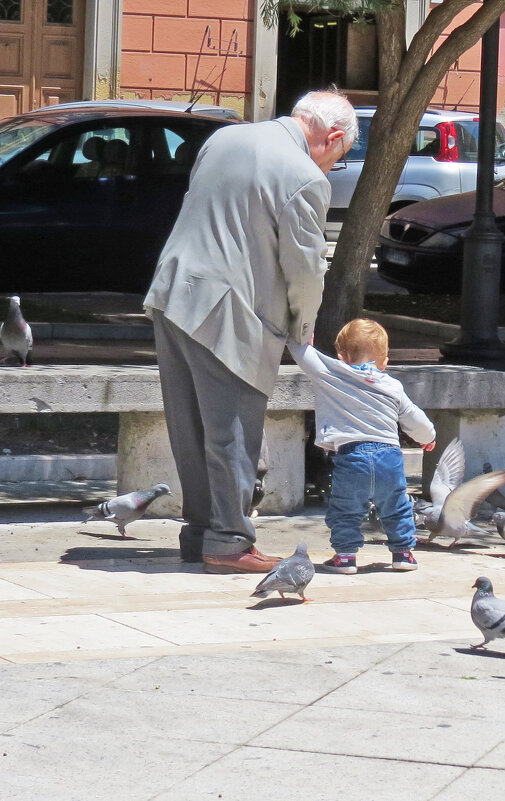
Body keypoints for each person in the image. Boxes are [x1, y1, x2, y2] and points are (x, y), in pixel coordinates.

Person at [144, 90, 358, 573]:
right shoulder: (304, 176)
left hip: (173, 291)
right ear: (334, 137)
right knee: (232, 432)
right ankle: (228, 541)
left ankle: (201, 531)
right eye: (339, 158)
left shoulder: (224, 138)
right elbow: (304, 270)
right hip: (229, 312)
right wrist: (302, 328)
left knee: (190, 426)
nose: (331, 167)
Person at [289, 318, 437, 573]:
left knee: (346, 507)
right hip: (389, 458)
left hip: (352, 457)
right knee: (397, 505)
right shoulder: (393, 386)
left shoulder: (333, 374)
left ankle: (346, 556)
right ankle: (403, 553)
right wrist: (428, 438)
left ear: (341, 356)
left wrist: (302, 342)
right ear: (385, 361)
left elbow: (302, 356)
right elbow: (415, 418)